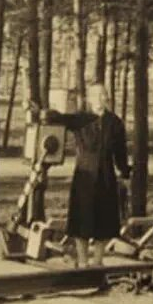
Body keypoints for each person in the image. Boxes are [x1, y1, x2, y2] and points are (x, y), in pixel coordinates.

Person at [44, 84, 131, 267]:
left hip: (106, 176)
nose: (100, 98)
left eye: (103, 94)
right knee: (82, 219)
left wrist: (125, 172)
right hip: (84, 175)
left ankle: (98, 261)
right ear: (89, 99)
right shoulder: (81, 120)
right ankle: (83, 261)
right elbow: (57, 119)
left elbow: (120, 153)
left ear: (107, 97)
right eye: (96, 95)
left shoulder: (115, 123)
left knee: (104, 220)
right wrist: (44, 112)